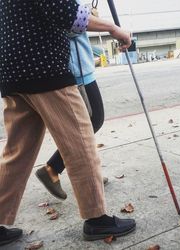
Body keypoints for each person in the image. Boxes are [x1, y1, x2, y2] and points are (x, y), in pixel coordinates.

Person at [0, 0, 135, 246]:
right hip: (45, 67)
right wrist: (112, 28)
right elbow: (65, 13)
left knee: (17, 153)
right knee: (80, 141)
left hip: (12, 69)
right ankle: (97, 219)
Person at [35, 31, 108, 200]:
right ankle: (52, 168)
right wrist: (112, 28)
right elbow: (71, 18)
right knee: (91, 121)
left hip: (72, 64)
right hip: (75, 67)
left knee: (88, 123)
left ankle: (61, 170)